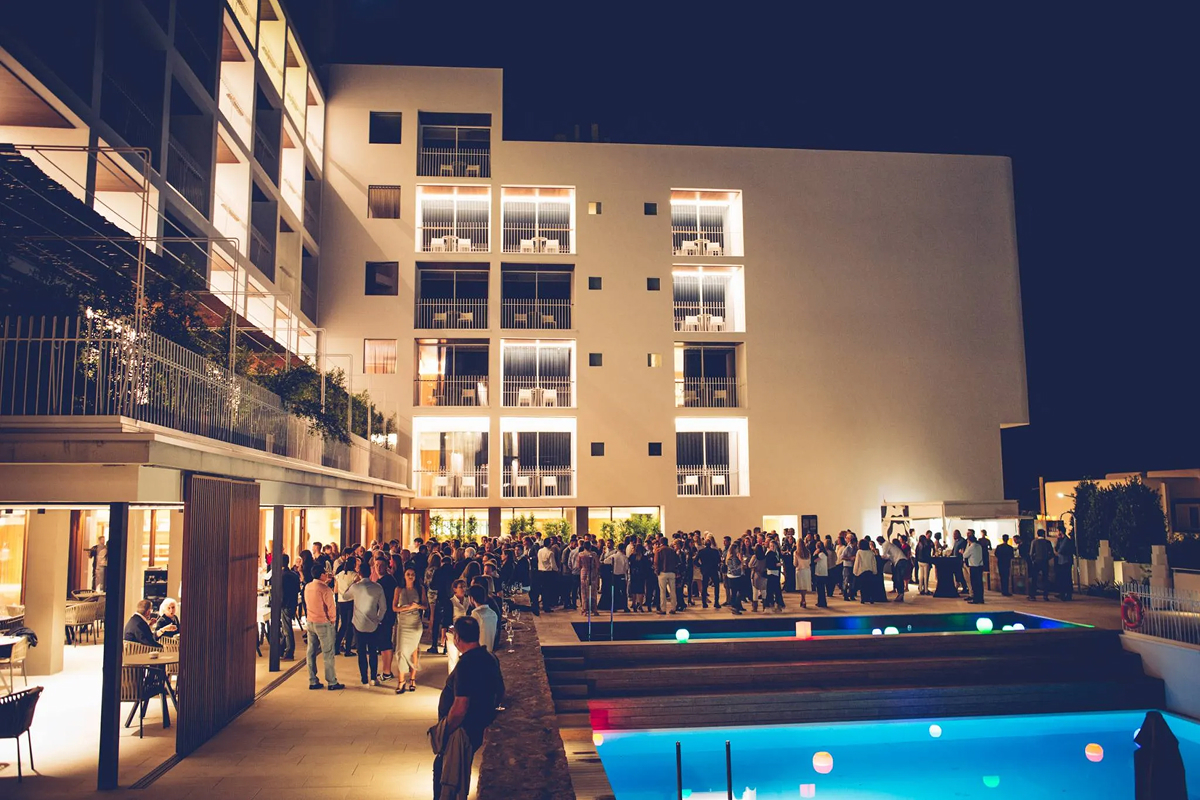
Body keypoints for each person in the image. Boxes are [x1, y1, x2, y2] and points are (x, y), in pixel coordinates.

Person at [431, 617, 503, 800]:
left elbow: (461, 705)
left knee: (446, 774)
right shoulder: (490, 657)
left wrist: (446, 730)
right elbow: (500, 691)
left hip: (462, 729)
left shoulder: (466, 664)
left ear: (457, 638)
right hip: (477, 725)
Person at [345, 559, 388, 686]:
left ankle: (364, 678)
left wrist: (353, 582)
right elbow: (383, 607)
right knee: (373, 651)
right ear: (370, 573)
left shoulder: (356, 587)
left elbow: (345, 596)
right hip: (373, 624)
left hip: (358, 623)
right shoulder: (378, 587)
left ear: (360, 573)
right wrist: (378, 619)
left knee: (361, 652)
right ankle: (373, 677)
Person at [304, 563, 344, 691]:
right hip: (323, 622)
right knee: (328, 653)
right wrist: (333, 620)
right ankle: (331, 681)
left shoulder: (307, 587)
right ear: (321, 575)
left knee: (311, 651)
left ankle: (313, 680)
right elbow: (331, 607)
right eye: (325, 573)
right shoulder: (325, 589)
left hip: (311, 621)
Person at [394, 567, 426, 694]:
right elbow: (394, 607)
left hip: (415, 623)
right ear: (404, 575)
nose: (410, 576)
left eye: (413, 574)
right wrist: (406, 608)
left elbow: (425, 606)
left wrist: (417, 606)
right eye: (408, 574)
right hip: (403, 623)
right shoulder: (399, 589)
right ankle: (401, 681)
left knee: (414, 651)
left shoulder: (420, 588)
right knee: (401, 651)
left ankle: (412, 679)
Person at [335, 555, 361, 656]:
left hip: (341, 601)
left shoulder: (339, 575)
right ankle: (348, 649)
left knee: (343, 625)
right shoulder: (355, 575)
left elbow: (336, 590)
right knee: (350, 625)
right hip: (351, 601)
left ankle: (336, 646)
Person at [279, 553, 300, 659]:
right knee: (285, 628)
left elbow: (282, 593)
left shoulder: (282, 576)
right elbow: (297, 589)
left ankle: (289, 651)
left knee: (287, 629)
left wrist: (280, 604)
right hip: (293, 602)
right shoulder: (294, 574)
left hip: (285, 604)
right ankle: (281, 649)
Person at [468, 584, 498, 655]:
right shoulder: (493, 613)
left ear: (472, 598)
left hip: (479, 653)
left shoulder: (476, 614)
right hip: (490, 652)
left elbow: (471, 636)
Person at [653, 537, 680, 615]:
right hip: (672, 572)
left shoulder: (658, 550)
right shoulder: (672, 550)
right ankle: (673, 608)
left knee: (662, 591)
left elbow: (656, 562)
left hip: (662, 573)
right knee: (673, 591)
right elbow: (677, 561)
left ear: (660, 542)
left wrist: (657, 571)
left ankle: (663, 609)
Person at [1029, 529, 1054, 601]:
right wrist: (1047, 558)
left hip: (1036, 562)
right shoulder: (1047, 542)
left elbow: (1031, 553)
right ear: (1043, 534)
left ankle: (1032, 595)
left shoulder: (1034, 542)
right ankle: (1045, 595)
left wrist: (1033, 559)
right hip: (1045, 562)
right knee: (1045, 578)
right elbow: (1051, 553)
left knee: (1034, 578)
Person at [696, 536, 721, 609]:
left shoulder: (701, 551)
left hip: (705, 570)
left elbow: (695, 561)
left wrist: (700, 566)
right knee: (716, 586)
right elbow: (719, 560)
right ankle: (716, 602)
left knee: (704, 586)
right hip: (714, 569)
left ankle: (704, 603)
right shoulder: (715, 551)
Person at [853, 538, 877, 604]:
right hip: (869, 571)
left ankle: (863, 599)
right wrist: (875, 571)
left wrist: (855, 571)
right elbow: (873, 562)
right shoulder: (871, 552)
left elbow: (857, 562)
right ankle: (871, 598)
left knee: (863, 586)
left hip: (862, 571)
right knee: (870, 586)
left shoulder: (859, 552)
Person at [964, 532, 985, 604]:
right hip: (980, 566)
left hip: (973, 567)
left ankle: (976, 599)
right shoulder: (979, 546)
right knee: (980, 583)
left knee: (974, 584)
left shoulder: (971, 547)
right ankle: (981, 598)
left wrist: (963, 551)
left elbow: (965, 555)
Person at [1055, 531, 1076, 601]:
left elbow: (1060, 550)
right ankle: (1063, 593)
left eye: (1057, 531)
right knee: (1062, 578)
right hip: (1061, 561)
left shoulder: (1066, 540)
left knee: (1066, 578)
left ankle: (1067, 594)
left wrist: (1057, 552)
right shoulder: (1061, 540)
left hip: (1066, 562)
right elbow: (1056, 548)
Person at [793, 537, 811, 609]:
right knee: (805, 586)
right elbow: (809, 562)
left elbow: (795, 563)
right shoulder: (808, 552)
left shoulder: (796, 553)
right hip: (807, 570)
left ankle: (803, 599)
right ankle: (803, 599)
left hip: (800, 570)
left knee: (801, 586)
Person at [812, 540, 829, 608]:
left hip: (820, 573)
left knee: (820, 589)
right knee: (821, 589)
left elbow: (814, 560)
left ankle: (821, 602)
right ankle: (821, 602)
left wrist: (815, 553)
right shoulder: (824, 554)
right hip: (823, 573)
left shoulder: (821, 554)